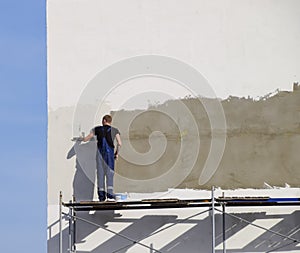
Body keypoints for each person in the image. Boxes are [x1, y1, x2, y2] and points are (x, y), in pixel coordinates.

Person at [82, 114, 122, 201]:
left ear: (104, 121)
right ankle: (110, 196)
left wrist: (81, 138)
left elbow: (86, 139)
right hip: (110, 155)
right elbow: (119, 143)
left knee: (100, 175)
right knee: (109, 174)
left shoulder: (97, 129)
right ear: (110, 121)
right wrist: (116, 153)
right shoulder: (115, 130)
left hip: (100, 155)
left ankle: (101, 197)